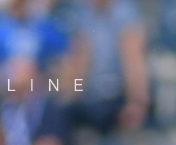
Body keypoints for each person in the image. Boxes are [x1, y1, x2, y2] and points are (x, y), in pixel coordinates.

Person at [63, 0, 149, 133]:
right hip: (89, 98)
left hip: (116, 99)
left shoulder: (125, 15)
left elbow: (134, 63)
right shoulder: (84, 14)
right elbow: (78, 65)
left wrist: (136, 102)